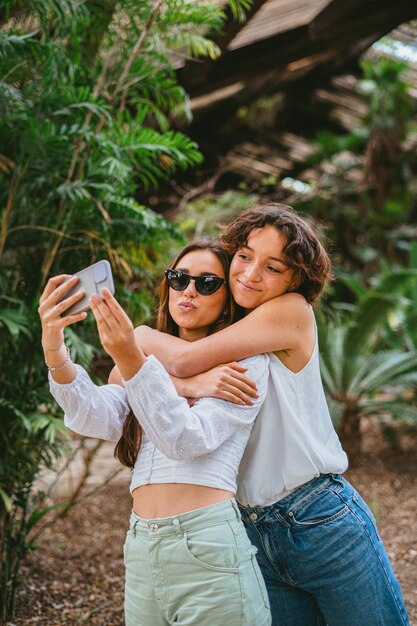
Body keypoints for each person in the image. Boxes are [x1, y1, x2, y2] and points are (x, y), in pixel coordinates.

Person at [131, 204, 410, 626]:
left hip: (320, 519)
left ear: (297, 278)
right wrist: (185, 385)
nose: (250, 273)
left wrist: (138, 336)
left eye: (273, 267)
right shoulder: (224, 331)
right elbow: (124, 374)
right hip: (248, 530)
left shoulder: (290, 312)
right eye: (244, 256)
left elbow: (178, 362)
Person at [38, 240, 271, 626]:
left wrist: (131, 357)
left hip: (208, 546)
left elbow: (185, 439)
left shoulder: (246, 362)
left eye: (207, 283)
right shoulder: (150, 364)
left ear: (229, 300)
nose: (189, 290)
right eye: (179, 279)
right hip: (142, 546)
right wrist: (54, 348)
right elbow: (91, 415)